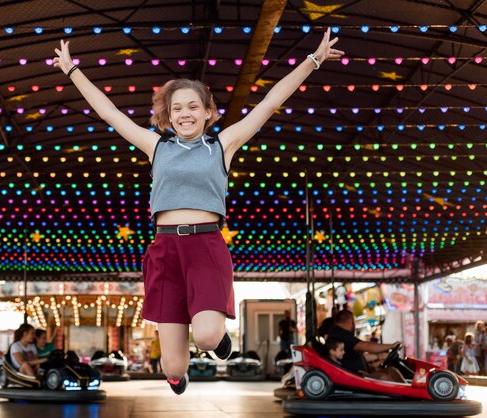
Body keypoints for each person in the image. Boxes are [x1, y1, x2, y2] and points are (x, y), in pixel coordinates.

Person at [53, 27, 343, 396]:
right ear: (167, 116)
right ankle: (179, 373)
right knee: (171, 366)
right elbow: (108, 112)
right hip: (164, 251)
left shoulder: (223, 145)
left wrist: (312, 61)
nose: (185, 114)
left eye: (193, 107)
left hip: (205, 247)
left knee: (205, 337)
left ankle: (218, 342)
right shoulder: (155, 146)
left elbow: (269, 103)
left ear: (208, 112)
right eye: (177, 108)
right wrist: (72, 70)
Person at [327, 310, 399, 373]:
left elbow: (358, 355)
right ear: (350, 321)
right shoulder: (340, 333)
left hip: (360, 373)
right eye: (354, 322)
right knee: (387, 375)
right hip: (355, 377)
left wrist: (380, 357)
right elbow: (365, 346)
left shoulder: (339, 332)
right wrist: (391, 346)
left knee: (388, 371)